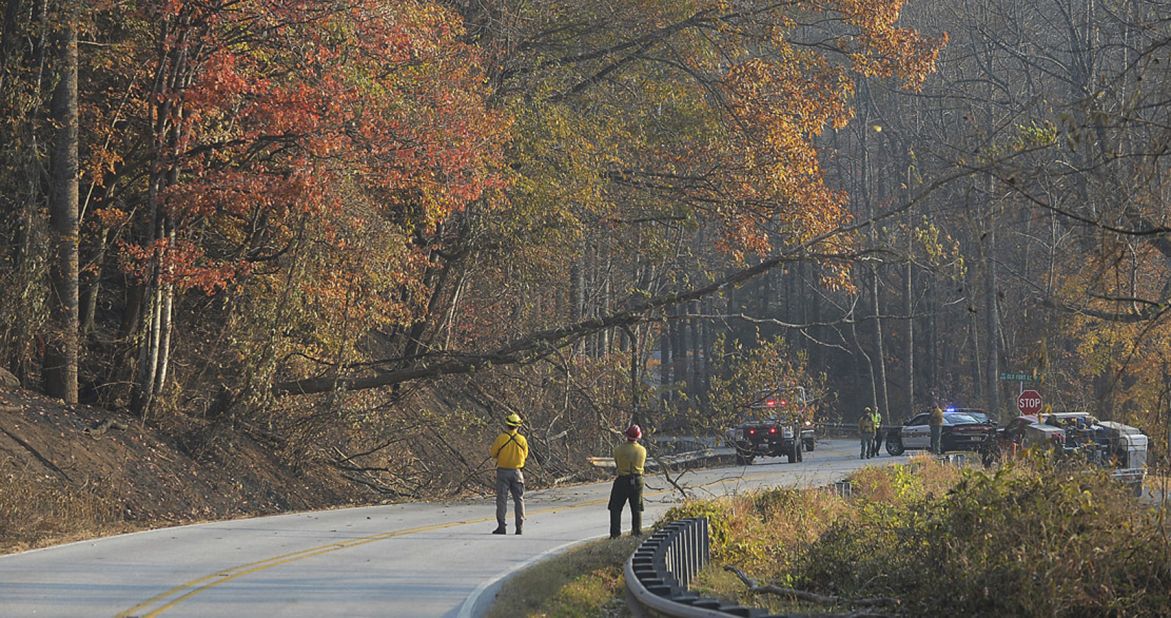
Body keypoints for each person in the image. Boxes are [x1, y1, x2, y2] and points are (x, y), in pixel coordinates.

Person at [490, 413, 529, 535]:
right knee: (519, 499)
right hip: (517, 473)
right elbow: (525, 455)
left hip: (503, 472)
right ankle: (519, 527)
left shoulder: (501, 438)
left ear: (507, 424)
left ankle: (501, 527)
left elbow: (493, 453)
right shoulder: (522, 440)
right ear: (517, 426)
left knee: (502, 499)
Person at [609, 424, 647, 538]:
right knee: (637, 507)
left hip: (622, 480)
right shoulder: (642, 450)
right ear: (638, 437)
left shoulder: (618, 450)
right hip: (638, 480)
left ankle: (615, 534)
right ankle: (637, 532)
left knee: (615, 507)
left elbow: (617, 463)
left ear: (627, 436)